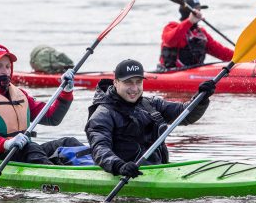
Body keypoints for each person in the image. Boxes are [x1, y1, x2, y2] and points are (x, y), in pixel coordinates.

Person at [0, 44, 83, 164]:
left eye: (8, 66)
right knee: (30, 148)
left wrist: (66, 92)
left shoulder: (20, 94)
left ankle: (97, 167)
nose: (5, 71)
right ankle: (57, 177)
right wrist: (5, 143)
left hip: (23, 151)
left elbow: (52, 117)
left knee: (69, 142)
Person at [85, 59, 215, 179]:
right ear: (116, 82)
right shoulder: (102, 114)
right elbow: (99, 148)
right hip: (123, 173)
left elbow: (185, 114)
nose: (134, 89)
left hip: (156, 170)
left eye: (138, 82)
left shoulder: (151, 105)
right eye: (128, 82)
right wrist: (119, 166)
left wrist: (201, 98)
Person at [159, 0, 256, 70]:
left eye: (200, 10)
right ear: (188, 12)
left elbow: (221, 52)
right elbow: (170, 40)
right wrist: (189, 22)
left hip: (193, 73)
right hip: (171, 72)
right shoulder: (172, 27)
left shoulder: (201, 34)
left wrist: (246, 60)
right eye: (196, 10)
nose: (199, 12)